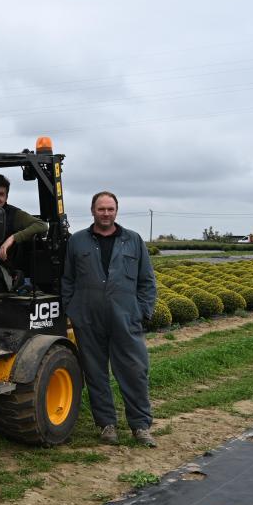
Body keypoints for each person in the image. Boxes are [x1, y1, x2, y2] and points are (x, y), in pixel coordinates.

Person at [61, 191, 158, 447]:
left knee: (134, 371)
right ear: (93, 210)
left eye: (110, 209)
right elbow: (68, 279)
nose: (106, 213)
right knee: (96, 374)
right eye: (101, 209)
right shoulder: (78, 241)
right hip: (89, 320)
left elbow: (147, 281)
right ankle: (107, 425)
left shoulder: (133, 240)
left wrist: (143, 311)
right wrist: (73, 309)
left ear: (116, 211)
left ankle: (140, 426)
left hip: (125, 318)